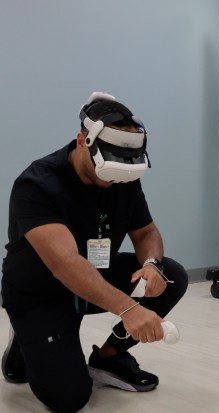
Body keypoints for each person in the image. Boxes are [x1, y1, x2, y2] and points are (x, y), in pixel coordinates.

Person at [1, 92, 189, 412]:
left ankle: (108, 358)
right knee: (70, 398)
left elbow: (146, 232)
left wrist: (152, 264)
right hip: (40, 292)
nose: (117, 174)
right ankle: (26, 335)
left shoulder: (122, 177)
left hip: (92, 277)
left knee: (172, 275)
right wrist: (130, 310)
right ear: (81, 141)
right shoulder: (37, 184)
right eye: (112, 161)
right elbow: (65, 264)